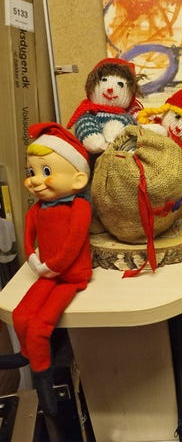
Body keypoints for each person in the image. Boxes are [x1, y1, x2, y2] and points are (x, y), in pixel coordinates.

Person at [6, 122, 92, 417]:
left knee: (40, 326)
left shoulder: (80, 207)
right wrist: (32, 259)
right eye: (31, 172)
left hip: (70, 276)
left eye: (45, 171)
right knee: (21, 315)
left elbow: (73, 243)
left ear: (79, 179)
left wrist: (52, 266)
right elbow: (28, 238)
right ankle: (25, 355)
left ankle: (43, 382)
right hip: (45, 271)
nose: (34, 180)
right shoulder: (37, 209)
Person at [67, 57, 143, 156]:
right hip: (94, 159)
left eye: (120, 84)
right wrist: (96, 142)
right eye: (104, 80)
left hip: (124, 157)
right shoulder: (89, 114)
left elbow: (137, 128)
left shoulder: (130, 115)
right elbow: (84, 126)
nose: (110, 89)